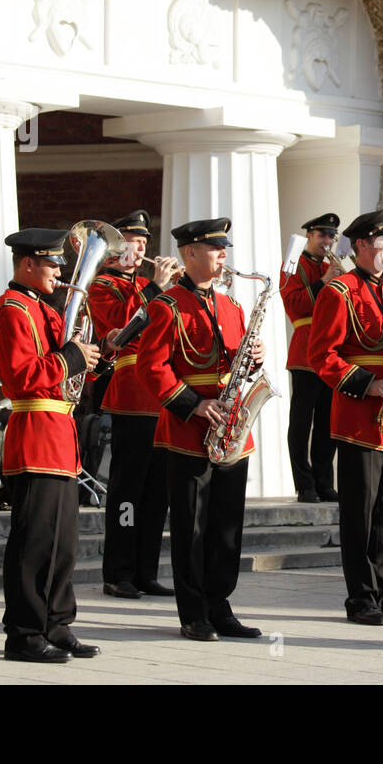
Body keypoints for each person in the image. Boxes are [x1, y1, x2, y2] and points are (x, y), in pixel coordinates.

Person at [136, 217, 264, 641]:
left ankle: (220, 603)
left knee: (227, 525)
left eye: (224, 248)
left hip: (231, 428)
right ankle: (193, 613)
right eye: (215, 249)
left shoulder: (233, 307)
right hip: (190, 431)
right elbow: (150, 367)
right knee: (191, 526)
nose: (223, 255)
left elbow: (235, 363)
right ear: (189, 254)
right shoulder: (166, 305)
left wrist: (256, 358)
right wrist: (192, 404)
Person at [308, 207, 383, 626]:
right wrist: (368, 383)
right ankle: (361, 598)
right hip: (361, 418)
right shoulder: (339, 291)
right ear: (361, 245)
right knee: (360, 514)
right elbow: (321, 356)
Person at [0, 228, 102, 662]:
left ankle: (56, 623)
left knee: (63, 542)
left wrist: (97, 352)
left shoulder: (43, 308)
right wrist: (74, 356)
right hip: (35, 428)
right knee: (34, 543)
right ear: (28, 264)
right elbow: (23, 375)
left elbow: (65, 365)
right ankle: (23, 633)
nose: (60, 271)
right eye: (52, 263)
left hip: (58, 433)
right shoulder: (13, 308)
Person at [89, 209, 180, 599]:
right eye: (132, 242)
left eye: (144, 244)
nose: (141, 250)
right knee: (127, 490)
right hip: (129, 392)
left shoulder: (149, 284)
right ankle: (118, 571)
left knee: (157, 491)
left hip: (163, 397)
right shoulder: (102, 286)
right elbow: (122, 330)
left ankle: (146, 570)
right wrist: (156, 289)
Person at [280, 213, 342, 503]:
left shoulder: (332, 266)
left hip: (332, 351)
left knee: (329, 422)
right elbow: (293, 303)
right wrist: (324, 282)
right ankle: (304, 484)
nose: (327, 241)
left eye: (331, 237)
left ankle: (324, 481)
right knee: (302, 422)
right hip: (305, 350)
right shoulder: (294, 265)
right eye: (322, 236)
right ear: (309, 235)